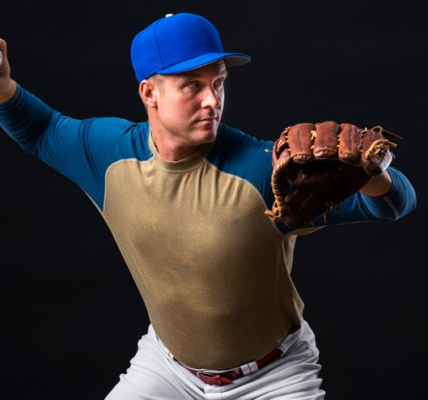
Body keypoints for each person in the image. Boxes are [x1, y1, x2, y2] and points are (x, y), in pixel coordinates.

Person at [0, 12, 416, 400]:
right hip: (167, 369)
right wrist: (4, 89)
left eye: (217, 82)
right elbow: (41, 130)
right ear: (150, 93)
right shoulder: (109, 156)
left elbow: (393, 205)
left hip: (274, 376)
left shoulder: (259, 169)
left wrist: (373, 174)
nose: (212, 100)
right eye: (192, 86)